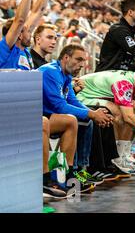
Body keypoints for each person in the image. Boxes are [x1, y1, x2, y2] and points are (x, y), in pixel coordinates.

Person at [39, 44, 114, 191]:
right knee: (72, 120)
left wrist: (95, 114)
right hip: (36, 116)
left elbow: (73, 101)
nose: (82, 64)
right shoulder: (50, 72)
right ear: (66, 57)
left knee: (85, 120)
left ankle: (77, 171)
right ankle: (56, 176)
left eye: (84, 61)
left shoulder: (65, 75)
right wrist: (92, 113)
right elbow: (59, 106)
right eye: (78, 59)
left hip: (48, 115)